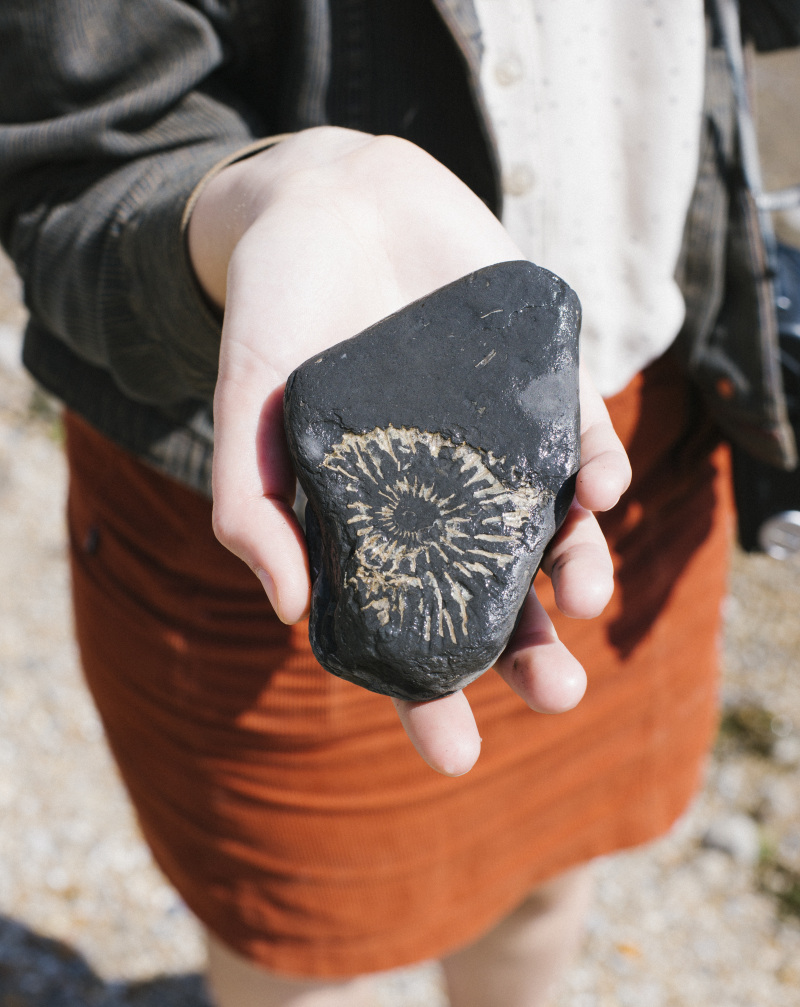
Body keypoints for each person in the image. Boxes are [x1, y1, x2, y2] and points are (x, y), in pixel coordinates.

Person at [0, 1, 782, 1004]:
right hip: (254, 458)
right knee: (298, 940)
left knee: (546, 871)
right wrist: (268, 198)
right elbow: (64, 164)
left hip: (624, 417)